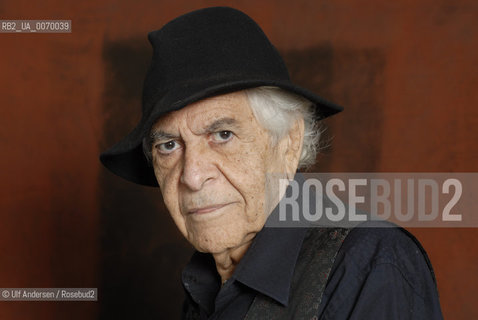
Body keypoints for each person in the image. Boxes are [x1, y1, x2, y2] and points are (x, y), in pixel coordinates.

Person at [100, 7, 443, 319]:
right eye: (169, 145)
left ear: (289, 143)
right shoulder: (203, 286)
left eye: (222, 134)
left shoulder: (373, 265)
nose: (192, 175)